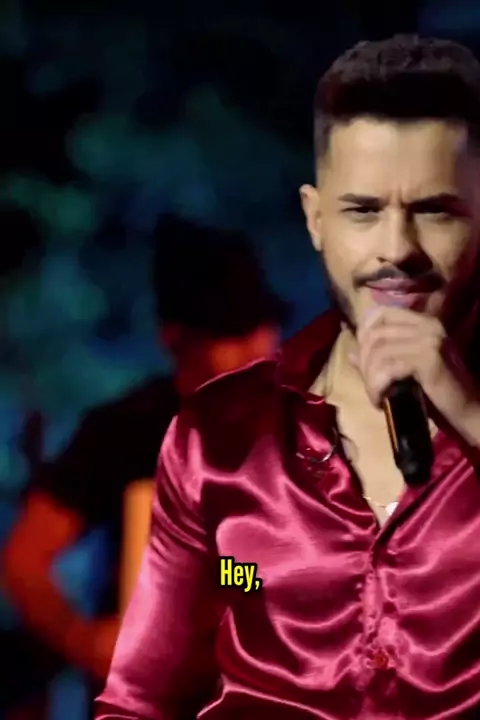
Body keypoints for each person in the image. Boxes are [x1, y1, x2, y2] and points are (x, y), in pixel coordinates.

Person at [95, 35, 480, 720]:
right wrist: (252, 579)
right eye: (363, 210)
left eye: (435, 209)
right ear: (315, 219)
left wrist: (468, 411)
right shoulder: (219, 439)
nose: (397, 248)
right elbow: (142, 697)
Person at [2, 215, 286, 712]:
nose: (256, 348)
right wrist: (88, 642)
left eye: (260, 326)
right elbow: (24, 561)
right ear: (176, 339)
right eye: (230, 333)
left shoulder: (297, 428)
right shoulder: (127, 430)